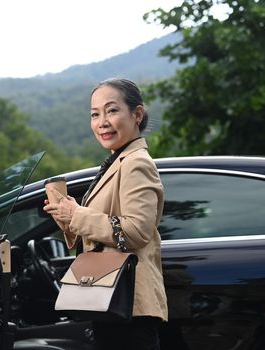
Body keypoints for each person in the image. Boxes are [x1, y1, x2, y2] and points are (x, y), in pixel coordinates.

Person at [43, 78, 167, 350]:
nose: (102, 122)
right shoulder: (118, 160)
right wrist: (68, 216)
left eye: (112, 110)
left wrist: (78, 214)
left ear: (137, 115)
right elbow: (106, 226)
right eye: (95, 114)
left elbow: (135, 232)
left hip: (128, 305)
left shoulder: (136, 163)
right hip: (111, 301)